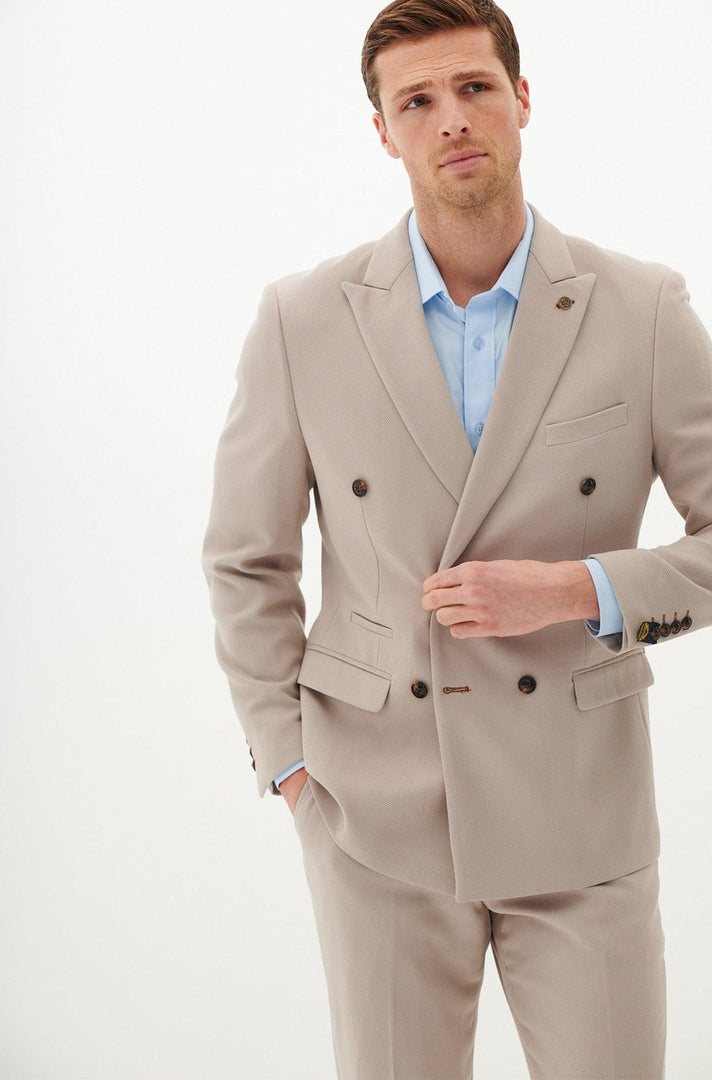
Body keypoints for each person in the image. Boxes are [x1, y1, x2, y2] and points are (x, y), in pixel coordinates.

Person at [201, 1, 712, 1075]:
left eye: (475, 87)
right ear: (382, 131)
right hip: (372, 816)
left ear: (522, 99)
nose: (452, 120)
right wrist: (291, 764)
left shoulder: (643, 307)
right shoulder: (302, 319)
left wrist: (574, 589)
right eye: (417, 101)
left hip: (581, 807)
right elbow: (247, 561)